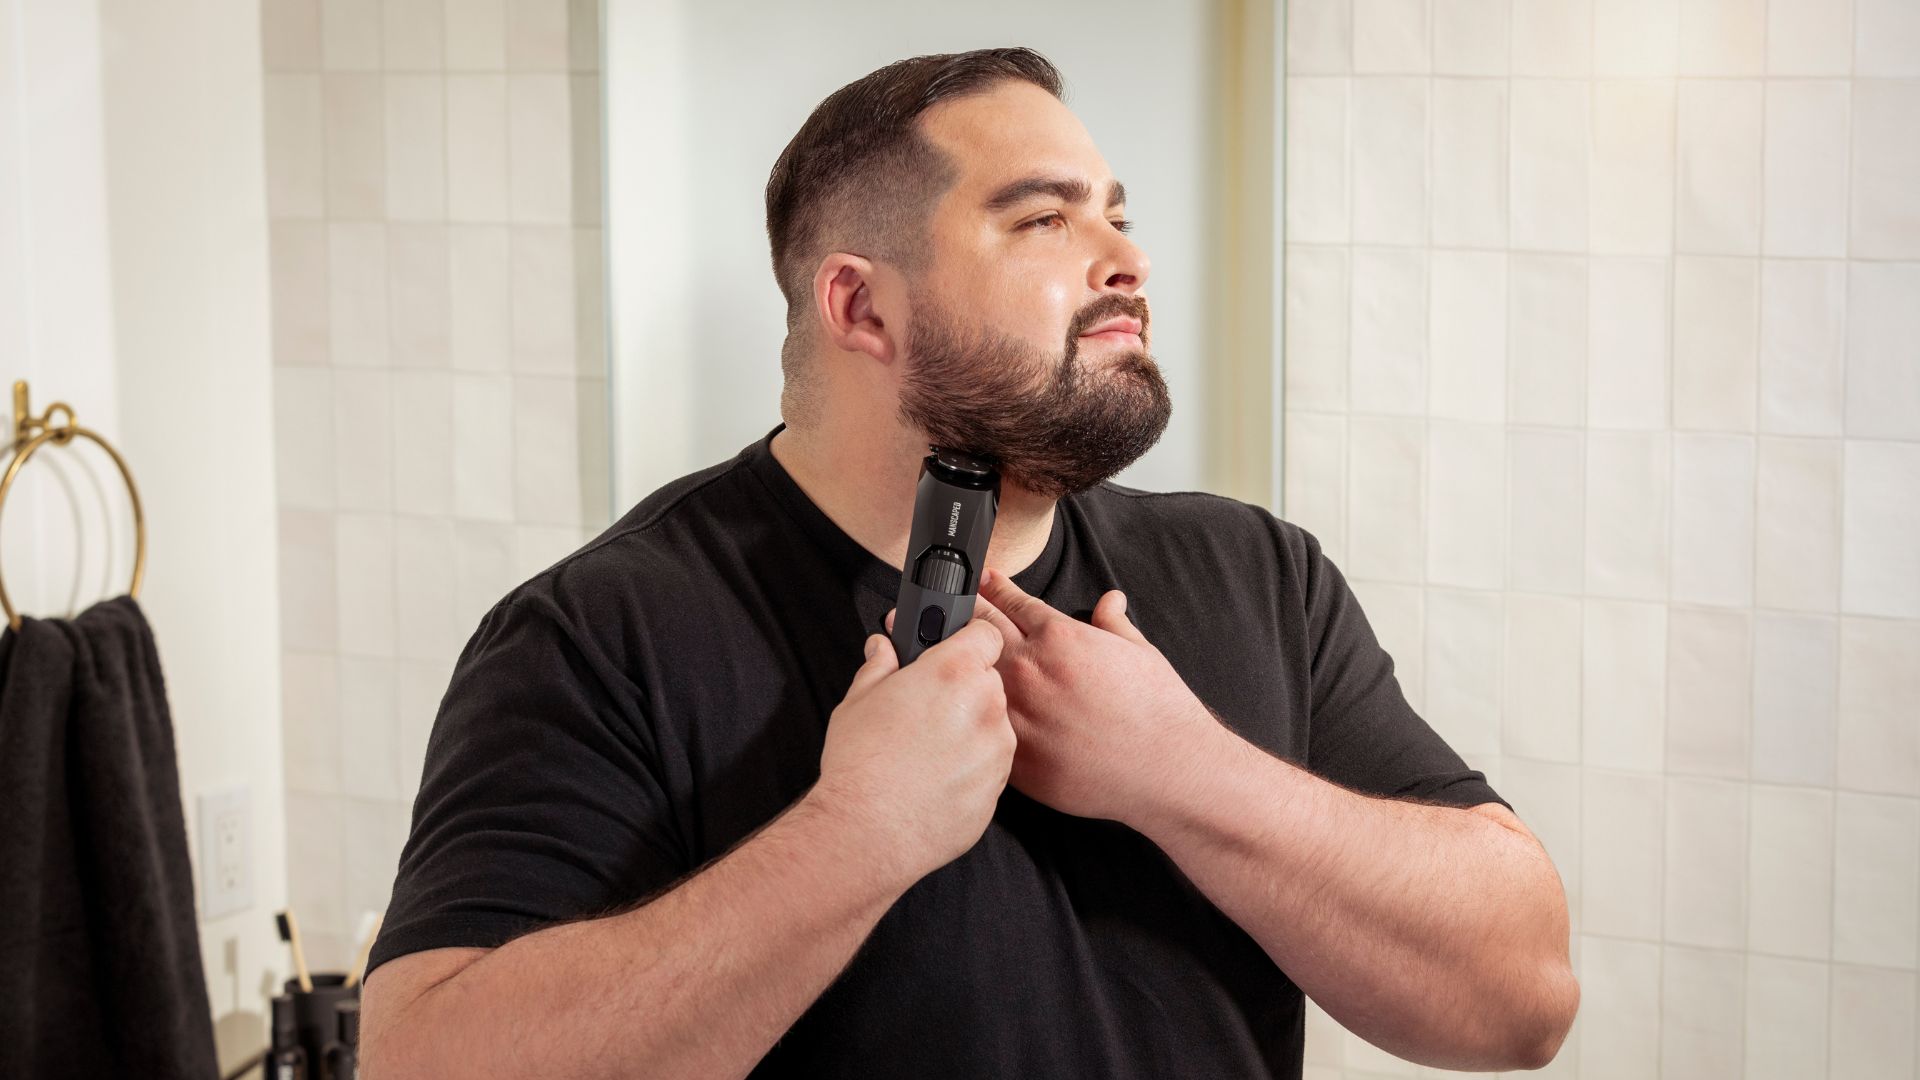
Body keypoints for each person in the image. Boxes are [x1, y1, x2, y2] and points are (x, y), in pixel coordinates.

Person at [358, 46, 1578, 1079]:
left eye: (1117, 215)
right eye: (1046, 218)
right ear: (862, 309)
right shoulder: (603, 632)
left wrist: (1185, 774)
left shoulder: (1259, 573)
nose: (1127, 260)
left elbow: (1523, 1003)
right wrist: (854, 837)